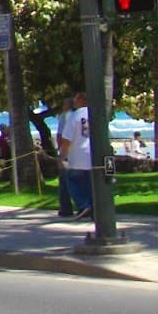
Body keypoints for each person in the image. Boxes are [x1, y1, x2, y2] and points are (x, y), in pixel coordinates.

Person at [56, 91, 92, 219]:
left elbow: (66, 139)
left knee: (72, 181)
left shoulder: (74, 116)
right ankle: (92, 207)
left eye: (76, 99)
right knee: (89, 183)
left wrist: (62, 156)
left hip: (77, 156)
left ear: (81, 99)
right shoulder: (95, 113)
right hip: (92, 156)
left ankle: (83, 205)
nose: (74, 102)